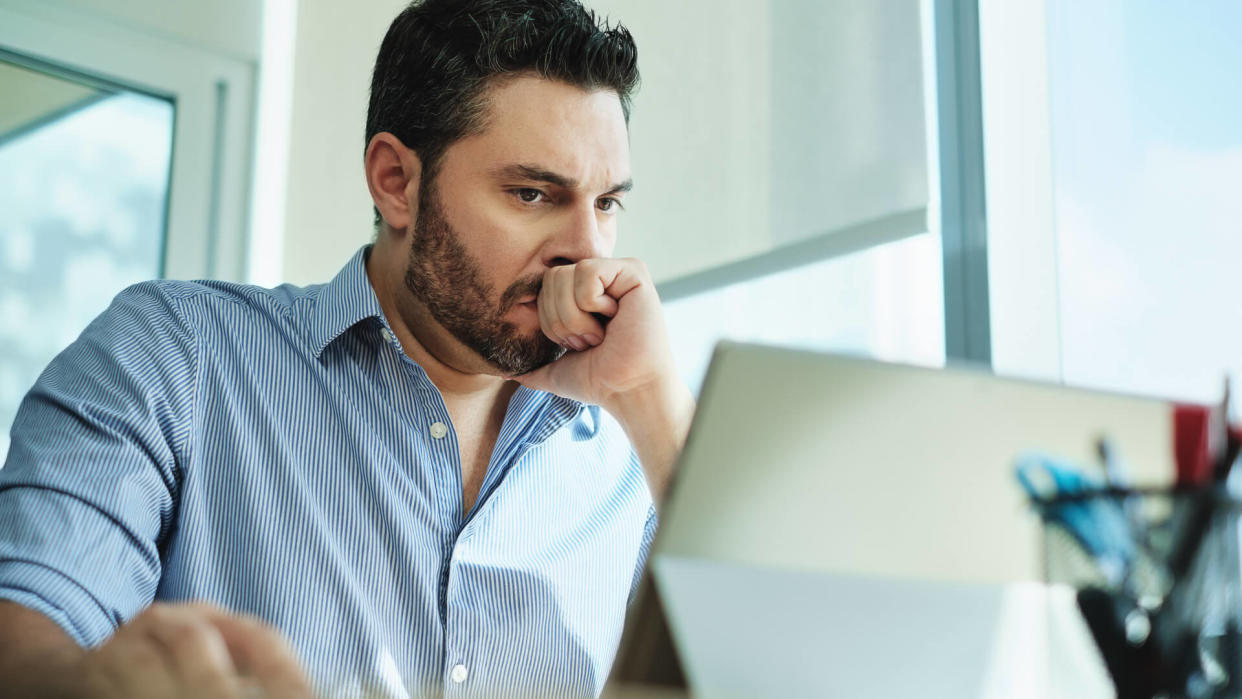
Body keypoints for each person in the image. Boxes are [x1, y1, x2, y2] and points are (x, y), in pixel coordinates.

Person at [0, 0, 695, 695]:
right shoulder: (173, 357)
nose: (587, 250)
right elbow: (26, 640)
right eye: (532, 193)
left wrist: (651, 407)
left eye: (606, 203)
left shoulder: (629, 455)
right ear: (396, 182)